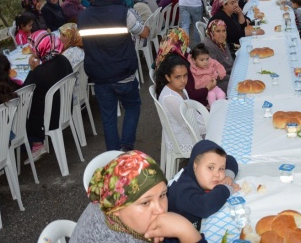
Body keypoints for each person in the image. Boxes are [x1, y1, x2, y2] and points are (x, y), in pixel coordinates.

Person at [71, 150, 207, 243]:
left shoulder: (107, 197)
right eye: (145, 203)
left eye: (162, 195)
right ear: (116, 208)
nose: (160, 210)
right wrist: (186, 231)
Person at [78, 0, 149, 151]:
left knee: (108, 117)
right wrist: (146, 27)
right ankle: (126, 146)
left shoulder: (83, 16)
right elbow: (144, 33)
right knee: (132, 106)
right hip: (123, 73)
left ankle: (113, 155)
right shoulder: (124, 13)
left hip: (99, 76)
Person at [167, 140, 239, 231]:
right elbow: (204, 207)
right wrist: (227, 188)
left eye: (221, 169)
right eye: (211, 167)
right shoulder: (183, 190)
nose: (217, 174)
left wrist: (228, 177)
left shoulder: (194, 173)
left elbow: (230, 160)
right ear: (195, 166)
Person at [23, 30, 72, 161]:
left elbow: (24, 92)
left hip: (50, 118)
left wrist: (33, 70)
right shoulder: (63, 60)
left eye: (34, 47)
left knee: (26, 109)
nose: (32, 50)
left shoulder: (39, 72)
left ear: (42, 48)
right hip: (66, 107)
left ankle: (36, 144)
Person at [155, 52, 207, 153]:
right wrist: (209, 127)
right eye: (177, 77)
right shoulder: (171, 99)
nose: (183, 80)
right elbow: (189, 127)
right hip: (184, 139)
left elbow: (193, 114)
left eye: (185, 75)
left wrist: (208, 122)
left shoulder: (180, 89)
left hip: (191, 129)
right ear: (168, 77)